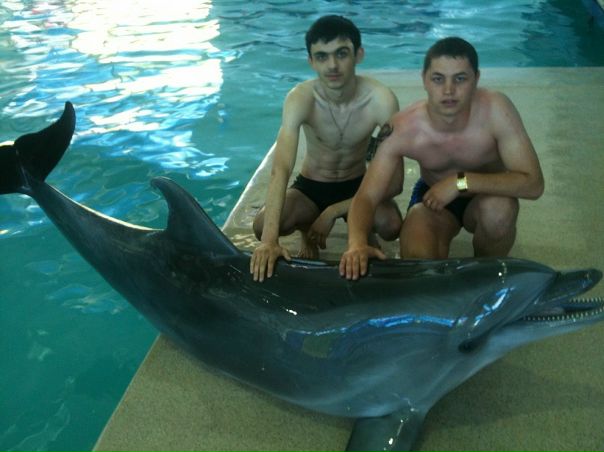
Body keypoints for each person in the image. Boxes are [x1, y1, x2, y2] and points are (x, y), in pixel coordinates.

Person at [340, 36, 545, 280]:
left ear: (476, 79)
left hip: (487, 194)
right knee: (418, 263)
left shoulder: (496, 110)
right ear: (424, 80)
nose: (449, 90)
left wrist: (460, 182)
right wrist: (357, 243)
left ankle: (485, 272)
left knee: (499, 210)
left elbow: (533, 183)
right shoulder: (403, 127)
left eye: (460, 78)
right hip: (434, 197)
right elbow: (366, 196)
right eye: (438, 79)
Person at [250, 15, 403, 282]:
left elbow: (395, 183)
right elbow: (281, 168)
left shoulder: (380, 100)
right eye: (322, 56)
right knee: (262, 226)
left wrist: (333, 211)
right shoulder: (301, 98)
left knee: (391, 225)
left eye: (341, 54)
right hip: (312, 187)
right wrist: (269, 241)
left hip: (359, 185)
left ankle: (362, 229)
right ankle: (306, 229)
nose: (332, 65)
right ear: (311, 61)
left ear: (359, 54)